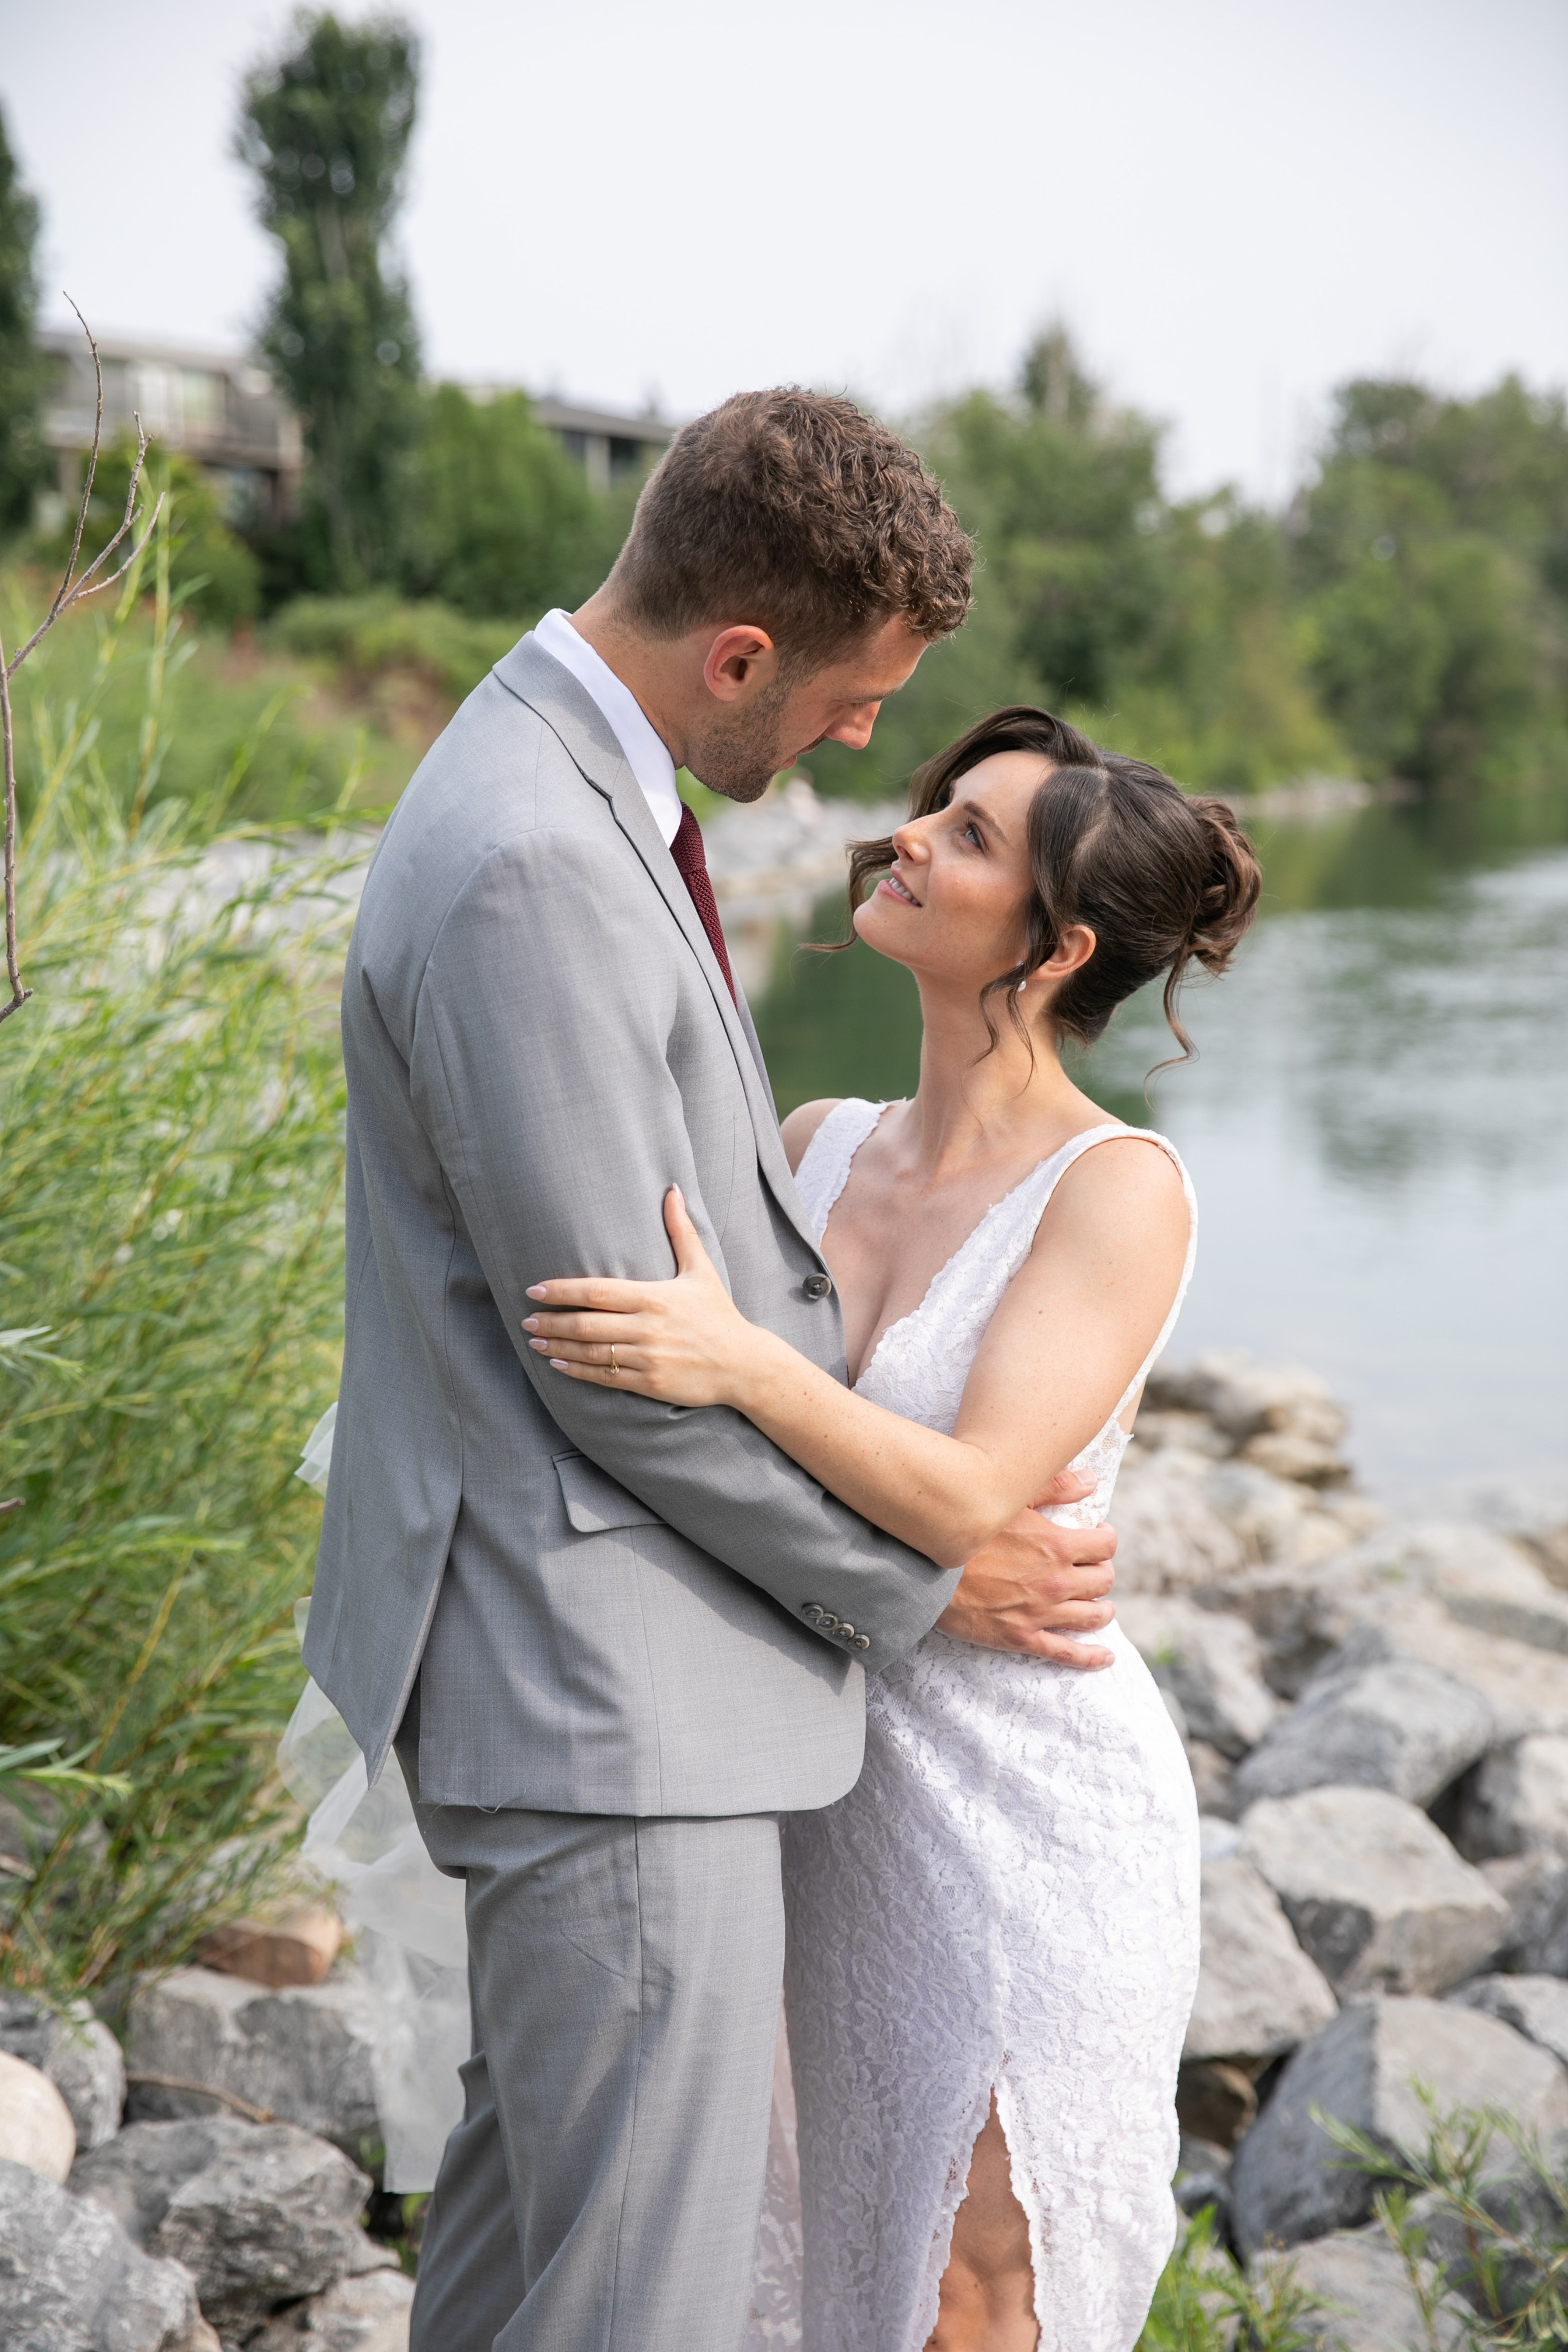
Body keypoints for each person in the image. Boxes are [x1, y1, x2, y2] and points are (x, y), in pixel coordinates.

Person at [303, 393, 1125, 2352]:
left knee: (529, 2268)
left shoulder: (564, 793)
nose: (861, 749)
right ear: (739, 653)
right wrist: (928, 1584)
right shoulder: (534, 859)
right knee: (636, 2310)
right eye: (851, 702)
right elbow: (613, 1368)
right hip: (607, 1703)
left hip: (600, 1686)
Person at [521, 706, 1262, 2352]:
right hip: (829, 1794)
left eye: (972, 835)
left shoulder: (1116, 1187)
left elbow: (961, 1492)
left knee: (978, 2287)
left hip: (1028, 1811)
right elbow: (725, 1475)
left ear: (1059, 948)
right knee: (836, 2261)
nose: (909, 836)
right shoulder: (815, 1145)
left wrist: (736, 1369)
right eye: (939, 807)